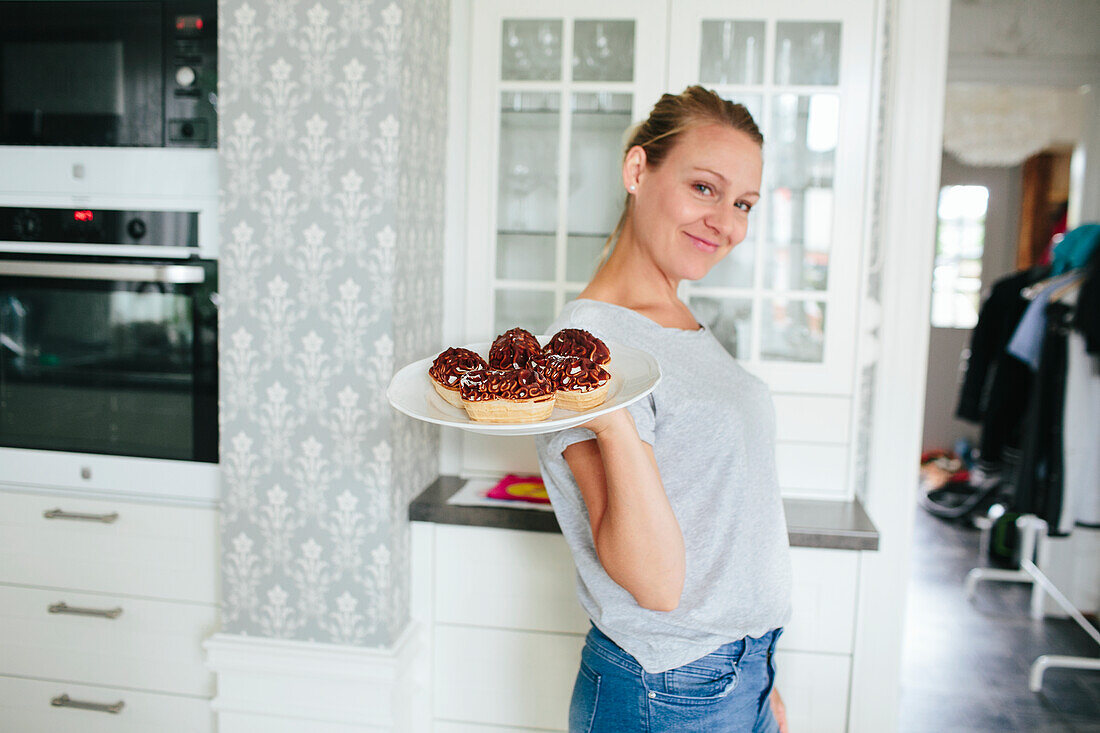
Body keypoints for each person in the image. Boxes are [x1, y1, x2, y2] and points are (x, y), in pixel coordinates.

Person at [534, 86, 793, 732]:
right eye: (704, 188)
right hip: (668, 694)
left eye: (743, 204)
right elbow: (655, 583)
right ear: (636, 170)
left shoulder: (676, 321)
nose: (727, 223)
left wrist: (761, 678)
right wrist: (609, 410)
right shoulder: (586, 348)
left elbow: (726, 519)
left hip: (740, 675)